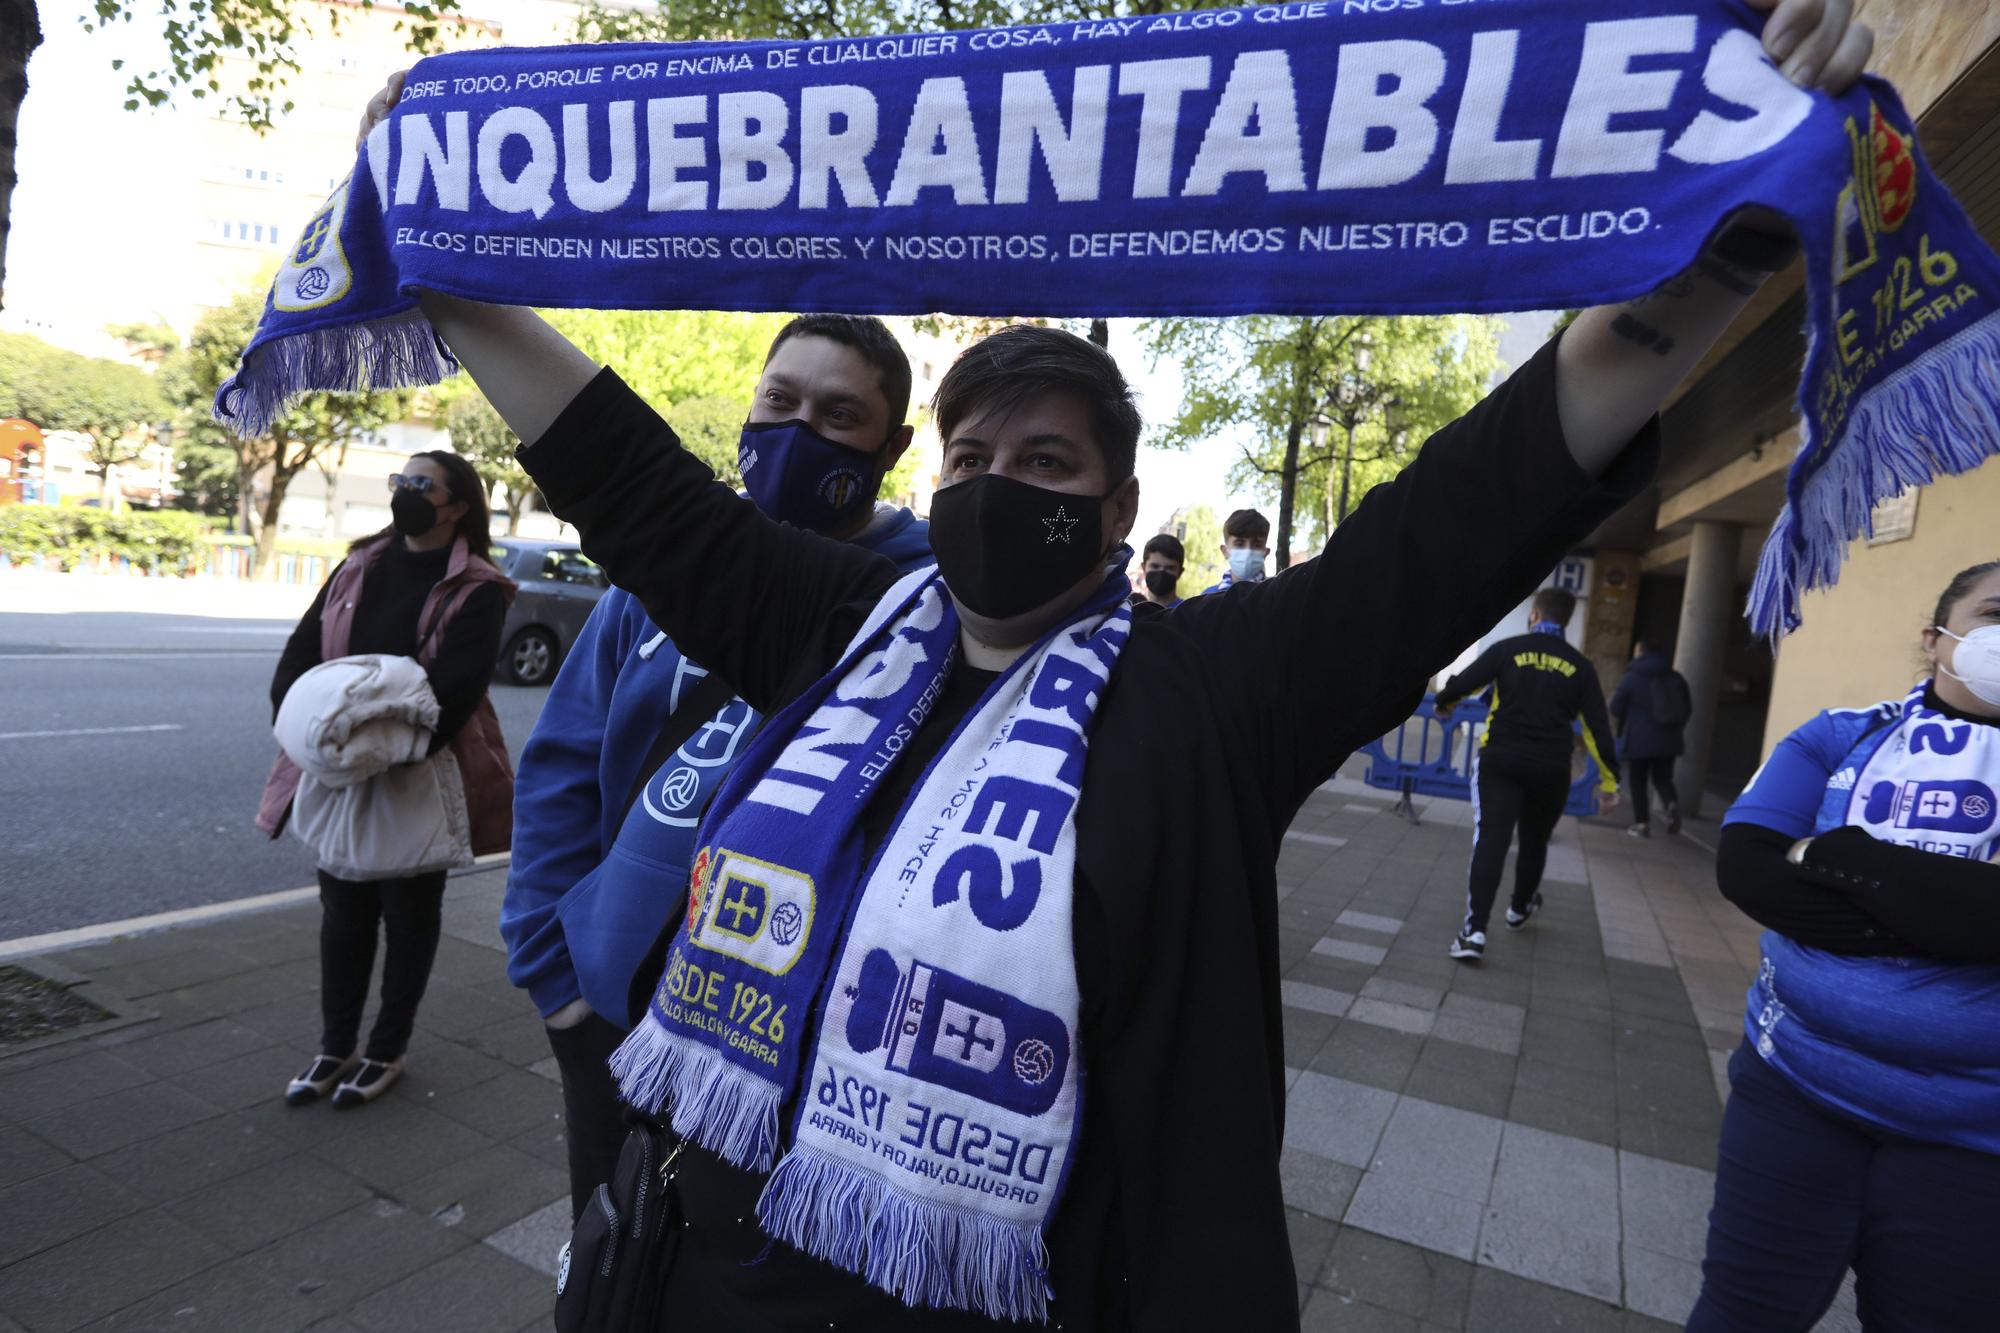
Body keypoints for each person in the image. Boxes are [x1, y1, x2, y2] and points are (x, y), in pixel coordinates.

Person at [356, 6, 1869, 1320]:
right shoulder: (831, 624)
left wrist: (1737, 214)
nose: (1000, 483)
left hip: (1030, 1287)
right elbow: (627, 478)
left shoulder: (1220, 687)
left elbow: (1477, 501)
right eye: (972, 455)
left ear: (1118, 508)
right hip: (710, 1270)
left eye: (1047, 460)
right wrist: (443, 264)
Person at [500, 314, 938, 1222]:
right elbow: (562, 773)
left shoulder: (927, 597)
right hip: (616, 1017)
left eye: (837, 414)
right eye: (780, 400)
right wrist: (558, 981)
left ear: (892, 446)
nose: (796, 431)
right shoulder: (649, 582)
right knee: (614, 1262)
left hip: (792, 1041)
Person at [1687, 559, 2000, 1332]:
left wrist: (1834, 856)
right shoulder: (1842, 733)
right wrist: (1948, 915)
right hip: (1792, 1089)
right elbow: (1749, 865)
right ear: (1937, 639)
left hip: (1974, 1142)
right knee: (1739, 1315)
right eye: (1996, 613)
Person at [261, 450, 513, 1108]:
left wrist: (382, 752)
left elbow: (454, 695)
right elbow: (303, 651)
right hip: (336, 765)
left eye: (421, 483)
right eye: (400, 480)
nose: (404, 490)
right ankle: (334, 1044)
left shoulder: (479, 588)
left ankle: (386, 1047)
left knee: (408, 918)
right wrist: (298, 722)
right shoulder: (358, 563)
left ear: (456, 505)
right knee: (342, 916)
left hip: (413, 773)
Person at [1434, 587, 1620, 962]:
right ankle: (1518, 909)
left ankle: (1474, 934)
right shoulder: (1581, 667)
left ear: (1534, 614)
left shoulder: (1508, 650)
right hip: (1551, 769)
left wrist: (1445, 702)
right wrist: (1610, 783)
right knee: (1535, 841)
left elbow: (1463, 682)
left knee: (1491, 840)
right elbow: (1597, 730)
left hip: (1500, 760)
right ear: (1565, 620)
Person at [1610, 638, 1691, 837]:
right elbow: (1687, 708)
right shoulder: (1676, 678)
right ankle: (1671, 804)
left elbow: (1615, 707)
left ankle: (1642, 824)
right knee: (1663, 778)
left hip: (1639, 740)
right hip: (1668, 740)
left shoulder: (1632, 677)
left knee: (1638, 781)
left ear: (1640, 652)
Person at [1205, 507, 1269, 593]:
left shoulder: (1278, 596)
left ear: (1266, 552)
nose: (1248, 552)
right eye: (1239, 544)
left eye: (1256, 545)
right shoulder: (1208, 598)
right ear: (1224, 551)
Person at [1130, 532, 1184, 609]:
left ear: (1180, 572)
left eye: (1169, 568)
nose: (1161, 573)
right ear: (1143, 567)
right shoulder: (1130, 611)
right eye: (1155, 566)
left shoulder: (1187, 615)